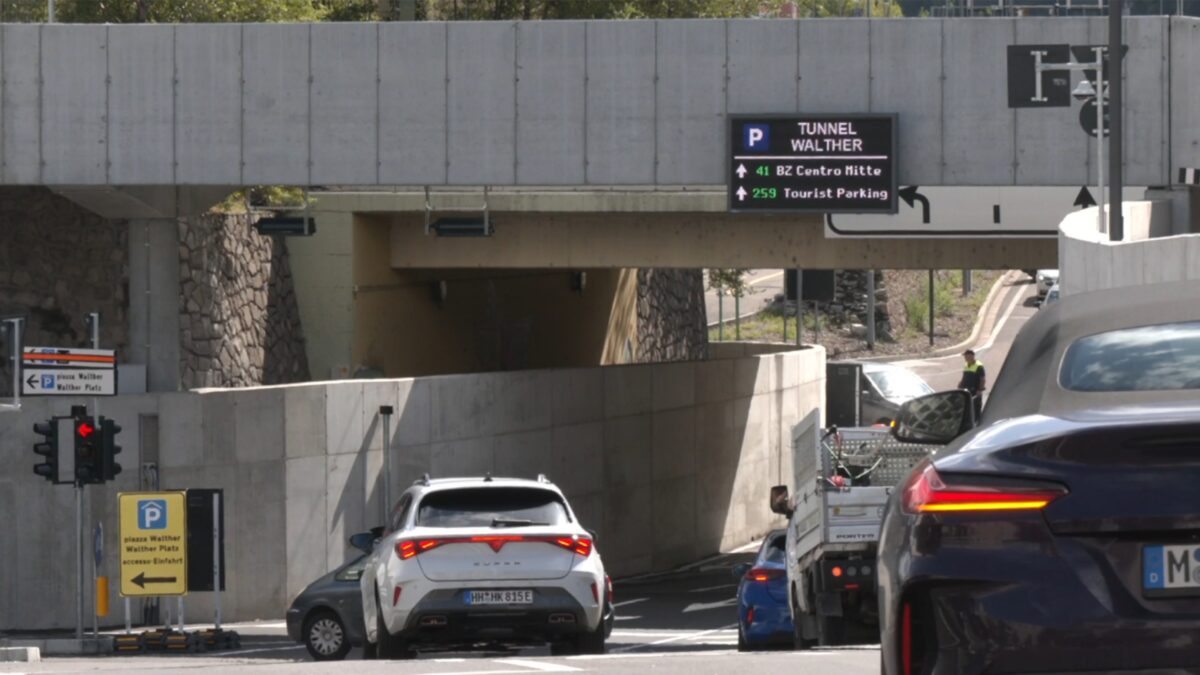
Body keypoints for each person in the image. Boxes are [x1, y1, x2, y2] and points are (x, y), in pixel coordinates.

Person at [958, 349, 986, 421]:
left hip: (975, 391)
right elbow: (965, 376)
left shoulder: (979, 366)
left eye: (966, 356)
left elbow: (982, 379)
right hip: (967, 390)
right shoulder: (967, 364)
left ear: (971, 356)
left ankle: (977, 422)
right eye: (965, 356)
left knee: (976, 408)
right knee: (968, 408)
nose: (965, 358)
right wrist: (960, 384)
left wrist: (980, 390)